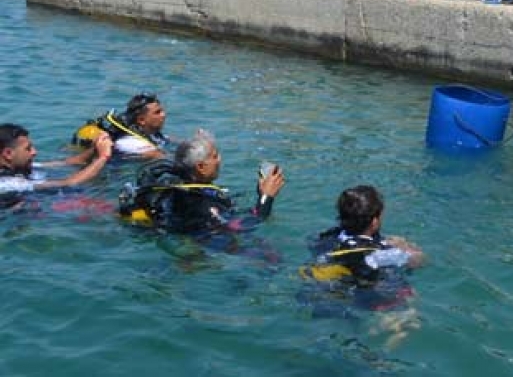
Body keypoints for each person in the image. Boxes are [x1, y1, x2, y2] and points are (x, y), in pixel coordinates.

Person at [118, 129, 285, 235]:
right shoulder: (199, 202)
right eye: (214, 156)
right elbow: (243, 227)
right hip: (198, 242)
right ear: (201, 167)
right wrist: (266, 197)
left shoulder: (179, 184)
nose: (220, 160)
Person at [306, 185, 423, 308]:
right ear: (374, 222)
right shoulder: (382, 251)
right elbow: (417, 261)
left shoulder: (323, 238)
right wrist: (406, 246)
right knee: (408, 293)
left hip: (328, 289)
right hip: (365, 298)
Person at [1, 123, 113, 208]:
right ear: (8, 154)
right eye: (28, 149)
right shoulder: (7, 183)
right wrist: (103, 157)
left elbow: (68, 162)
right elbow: (69, 183)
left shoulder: (22, 166)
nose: (34, 152)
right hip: (27, 214)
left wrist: (96, 147)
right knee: (106, 208)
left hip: (45, 198)